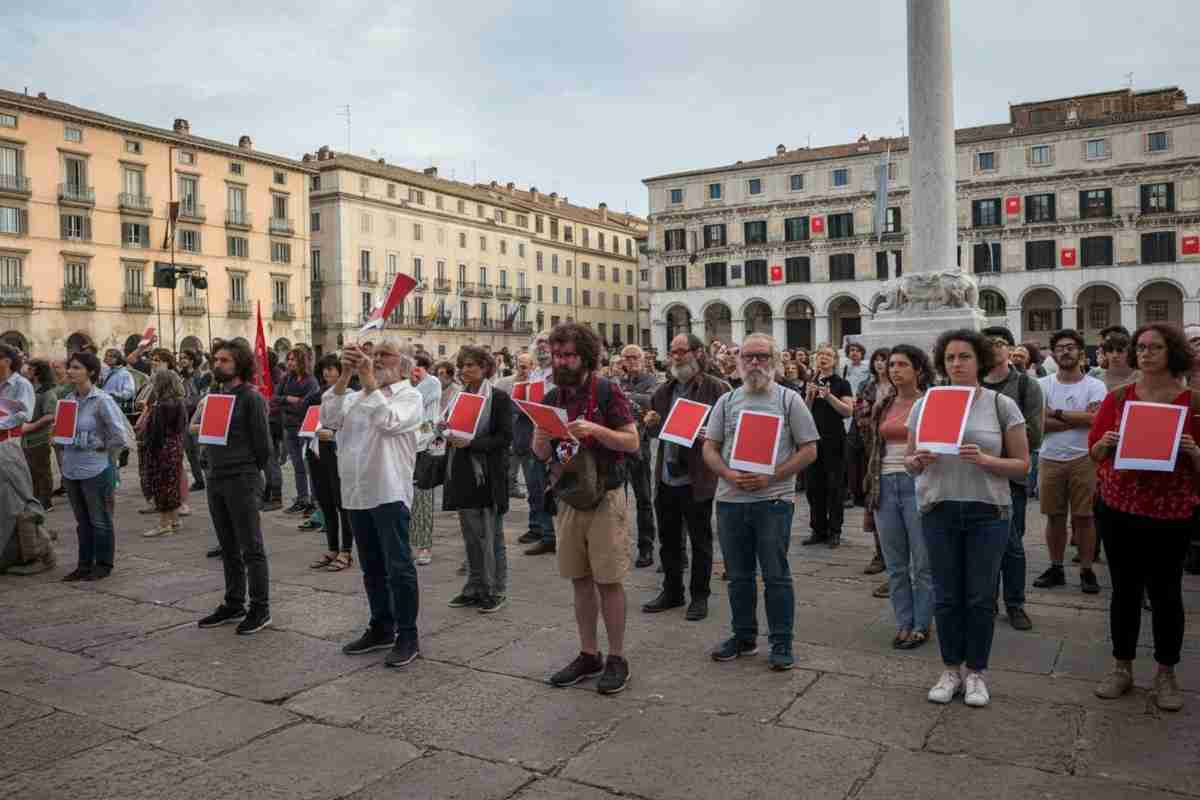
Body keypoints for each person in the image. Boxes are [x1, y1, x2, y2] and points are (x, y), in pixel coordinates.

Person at [906, 329, 1029, 707]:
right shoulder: (926, 403)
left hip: (987, 510)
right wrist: (918, 460)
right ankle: (950, 669)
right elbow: (910, 463)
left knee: (979, 597)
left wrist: (987, 460)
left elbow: (1023, 465)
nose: (956, 364)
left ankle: (976, 672)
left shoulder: (1000, 405)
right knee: (945, 595)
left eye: (964, 357)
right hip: (939, 507)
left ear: (980, 361)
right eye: (950, 359)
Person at [1089, 323, 1199, 712]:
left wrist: (1194, 453)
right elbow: (1095, 452)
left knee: (1167, 592)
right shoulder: (1119, 398)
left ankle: (1166, 673)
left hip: (1170, 512)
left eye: (1155, 347)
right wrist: (1104, 443)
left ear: (1174, 352)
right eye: (1141, 347)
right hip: (1119, 508)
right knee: (1124, 590)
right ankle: (1122, 667)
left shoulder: (1194, 403)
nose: (1145, 353)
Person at [702, 334, 819, 669]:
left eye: (762, 357)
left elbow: (809, 449)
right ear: (739, 361)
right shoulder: (727, 401)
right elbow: (709, 447)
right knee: (738, 576)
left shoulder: (788, 400)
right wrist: (727, 473)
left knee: (776, 575)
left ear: (775, 361)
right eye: (748, 356)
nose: (755, 363)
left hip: (773, 501)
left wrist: (773, 476)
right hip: (730, 501)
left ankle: (781, 642)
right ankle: (744, 637)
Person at [535, 323, 639, 695]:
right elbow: (541, 454)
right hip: (567, 495)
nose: (561, 361)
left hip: (605, 495)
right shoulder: (551, 396)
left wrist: (595, 430)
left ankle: (617, 657)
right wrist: (541, 438)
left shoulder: (607, 390)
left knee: (609, 580)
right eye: (556, 354)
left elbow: (631, 440)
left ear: (585, 356)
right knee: (579, 579)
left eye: (568, 355)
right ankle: (588, 653)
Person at [324, 341, 425, 668]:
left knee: (398, 567)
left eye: (385, 355)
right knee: (371, 567)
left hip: (388, 491)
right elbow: (329, 416)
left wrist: (367, 377)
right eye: (374, 354)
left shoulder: (410, 396)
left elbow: (389, 421)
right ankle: (381, 625)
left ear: (404, 365)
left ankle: (407, 634)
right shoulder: (356, 395)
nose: (377, 359)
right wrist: (346, 375)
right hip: (356, 491)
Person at [641, 333, 729, 621]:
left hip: (696, 476)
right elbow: (656, 432)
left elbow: (731, 430)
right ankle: (672, 590)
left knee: (700, 540)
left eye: (682, 351)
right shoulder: (663, 391)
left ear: (698, 352)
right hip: (667, 476)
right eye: (673, 351)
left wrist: (712, 436)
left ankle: (700, 596)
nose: (676, 357)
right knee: (668, 539)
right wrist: (651, 424)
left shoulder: (716, 389)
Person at [195, 340, 274, 635]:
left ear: (239, 364)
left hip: (241, 478)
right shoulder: (216, 394)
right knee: (227, 546)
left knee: (251, 547)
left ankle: (260, 608)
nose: (218, 364)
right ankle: (234, 602)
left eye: (225, 360)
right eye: (216, 359)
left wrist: (259, 477)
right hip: (216, 477)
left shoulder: (251, 398)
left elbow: (263, 444)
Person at [865, 345, 933, 650]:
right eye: (892, 364)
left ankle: (921, 624)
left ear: (918, 369)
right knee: (895, 562)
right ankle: (903, 622)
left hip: (918, 483)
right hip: (884, 483)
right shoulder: (885, 402)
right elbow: (873, 446)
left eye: (903, 364)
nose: (894, 370)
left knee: (922, 562)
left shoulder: (931, 402)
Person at [980, 326, 1044, 631]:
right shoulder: (973, 385)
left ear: (1010, 348)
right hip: (975, 474)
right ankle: (987, 601)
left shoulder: (1025, 386)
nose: (993, 349)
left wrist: (989, 440)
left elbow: (1034, 435)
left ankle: (1015, 603)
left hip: (1010, 476)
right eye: (987, 344)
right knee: (983, 542)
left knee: (1012, 544)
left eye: (999, 343)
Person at [1034, 329, 1107, 595]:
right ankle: (1056, 567)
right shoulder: (1042, 385)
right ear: (1053, 353)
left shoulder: (1095, 386)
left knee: (1085, 518)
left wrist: (1056, 413)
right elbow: (1037, 422)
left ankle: (1087, 570)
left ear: (1080, 352)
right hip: (1050, 457)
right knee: (1054, 517)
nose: (1066, 351)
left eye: (1071, 347)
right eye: (1061, 347)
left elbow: (1096, 420)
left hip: (1085, 458)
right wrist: (1078, 418)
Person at [444, 346, 513, 613]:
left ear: (485, 368)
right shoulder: (458, 397)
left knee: (491, 534)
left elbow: (504, 437)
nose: (465, 370)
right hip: (462, 471)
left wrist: (472, 443)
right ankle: (474, 587)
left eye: (472, 365)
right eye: (463, 365)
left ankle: (496, 589)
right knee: (471, 535)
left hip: (488, 474)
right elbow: (450, 424)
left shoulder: (498, 398)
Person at [59, 351, 128, 581]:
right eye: (70, 367)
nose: (70, 371)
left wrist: (99, 446)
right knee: (82, 521)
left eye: (76, 367)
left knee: (100, 519)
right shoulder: (68, 400)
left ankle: (104, 563)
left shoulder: (102, 400)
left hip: (95, 468)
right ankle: (84, 563)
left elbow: (119, 436)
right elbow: (62, 433)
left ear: (90, 371)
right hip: (71, 468)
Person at [304, 355, 355, 572]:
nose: (327, 373)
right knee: (325, 501)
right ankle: (332, 547)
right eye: (324, 369)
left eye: (332, 369)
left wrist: (333, 433)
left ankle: (346, 550)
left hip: (338, 450)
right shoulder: (322, 394)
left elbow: (349, 424)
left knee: (342, 502)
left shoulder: (352, 395)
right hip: (317, 449)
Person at [801, 344, 853, 547]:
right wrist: (809, 396)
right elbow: (804, 412)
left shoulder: (842, 383)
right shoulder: (810, 381)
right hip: (813, 439)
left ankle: (834, 530)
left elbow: (847, 411)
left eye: (828, 355)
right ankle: (818, 529)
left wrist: (828, 396)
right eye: (821, 354)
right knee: (814, 487)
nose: (823, 358)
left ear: (835, 360)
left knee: (834, 486)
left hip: (835, 439)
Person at [619, 344, 660, 568]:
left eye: (635, 357)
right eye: (627, 357)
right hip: (618, 447)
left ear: (643, 360)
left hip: (640, 447)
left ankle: (646, 547)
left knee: (644, 498)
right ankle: (620, 544)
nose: (631, 361)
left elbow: (649, 401)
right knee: (617, 498)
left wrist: (623, 397)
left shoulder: (651, 380)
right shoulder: (618, 381)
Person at [139, 369, 189, 538]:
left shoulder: (161, 405)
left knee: (161, 486)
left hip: (162, 449)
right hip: (175, 446)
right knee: (172, 484)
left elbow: (156, 433)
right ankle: (174, 520)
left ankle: (164, 524)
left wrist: (148, 449)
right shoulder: (179, 402)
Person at [856, 348, 892, 578]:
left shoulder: (900, 389)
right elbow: (859, 413)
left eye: (884, 360)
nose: (880, 364)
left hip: (896, 446)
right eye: (877, 360)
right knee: (874, 499)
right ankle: (880, 553)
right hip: (872, 447)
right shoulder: (866, 387)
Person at [523, 330, 559, 556]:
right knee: (537, 486)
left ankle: (555, 535)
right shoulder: (535, 373)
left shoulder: (560, 372)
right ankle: (546, 534)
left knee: (554, 485)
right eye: (539, 344)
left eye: (547, 343)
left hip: (556, 433)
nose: (542, 347)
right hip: (536, 432)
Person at [275, 347, 319, 516]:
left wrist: (289, 405)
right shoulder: (286, 379)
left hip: (305, 428)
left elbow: (306, 406)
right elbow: (274, 399)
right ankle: (302, 499)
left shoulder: (311, 381)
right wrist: (288, 399)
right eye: (289, 359)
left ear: (302, 361)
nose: (290, 363)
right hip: (289, 428)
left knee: (309, 466)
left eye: (293, 359)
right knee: (297, 466)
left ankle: (314, 502)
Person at [409, 353, 442, 566]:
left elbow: (430, 423)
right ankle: (414, 543)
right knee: (409, 500)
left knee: (423, 500)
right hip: (408, 449)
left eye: (417, 369)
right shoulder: (410, 387)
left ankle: (425, 546)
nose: (413, 373)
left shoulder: (431, 384)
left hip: (424, 448)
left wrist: (416, 437)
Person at [21, 359, 57, 511]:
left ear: (37, 371)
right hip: (26, 438)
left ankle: (45, 502)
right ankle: (35, 500)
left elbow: (50, 415)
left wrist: (31, 426)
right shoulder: (30, 388)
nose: (26, 371)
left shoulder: (46, 391)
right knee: (31, 472)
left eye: (29, 369)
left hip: (39, 438)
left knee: (42, 471)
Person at [495, 352, 531, 500]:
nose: (523, 370)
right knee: (510, 468)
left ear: (532, 367)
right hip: (509, 430)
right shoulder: (503, 382)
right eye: (520, 365)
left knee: (530, 470)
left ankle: (533, 491)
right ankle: (510, 488)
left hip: (528, 431)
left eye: (526, 366)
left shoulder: (536, 384)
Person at [179, 349, 208, 491]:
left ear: (191, 360)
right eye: (181, 357)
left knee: (201, 451)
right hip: (184, 417)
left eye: (185, 358)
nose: (182, 360)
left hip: (197, 417)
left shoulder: (199, 376)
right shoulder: (180, 376)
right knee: (190, 452)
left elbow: (201, 396)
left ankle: (209, 478)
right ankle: (199, 480)